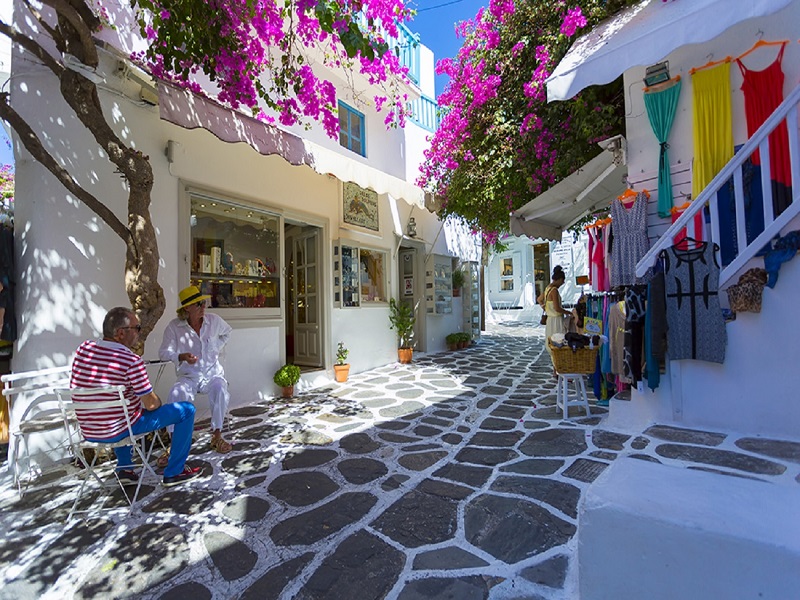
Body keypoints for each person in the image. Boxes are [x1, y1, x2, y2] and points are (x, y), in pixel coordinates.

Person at [70, 307, 201, 487]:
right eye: (136, 328)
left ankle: (125, 468)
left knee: (123, 409)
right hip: (118, 429)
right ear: (120, 333)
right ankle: (175, 471)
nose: (139, 333)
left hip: (90, 430)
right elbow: (151, 405)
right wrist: (157, 401)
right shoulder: (130, 360)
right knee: (186, 410)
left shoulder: (83, 350)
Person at [159, 285, 233, 455]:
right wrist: (181, 356)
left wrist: (215, 348)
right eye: (199, 304)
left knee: (220, 388)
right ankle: (174, 443)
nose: (203, 307)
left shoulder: (213, 321)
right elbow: (163, 353)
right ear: (187, 308)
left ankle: (217, 435)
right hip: (188, 375)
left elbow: (227, 332)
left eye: (203, 303)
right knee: (176, 393)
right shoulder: (174, 327)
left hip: (212, 373)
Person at [537, 265, 572, 374]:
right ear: (560, 279)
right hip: (556, 320)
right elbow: (557, 308)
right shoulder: (554, 291)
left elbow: (539, 299)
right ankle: (558, 370)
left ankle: (555, 370)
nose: (562, 284)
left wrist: (545, 307)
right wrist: (568, 312)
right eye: (562, 281)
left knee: (553, 345)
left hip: (550, 320)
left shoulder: (548, 288)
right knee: (559, 343)